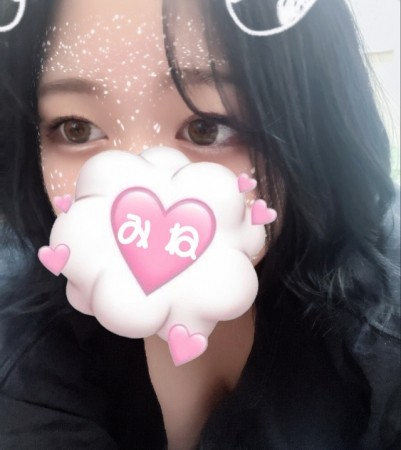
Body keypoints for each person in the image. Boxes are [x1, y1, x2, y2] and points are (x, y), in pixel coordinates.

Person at [0, 0, 399, 449]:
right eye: (76, 129)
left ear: (313, 128)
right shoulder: (21, 351)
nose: (133, 187)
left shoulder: (381, 343)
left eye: (206, 128)